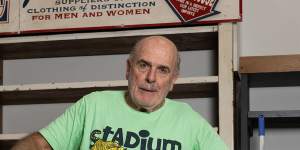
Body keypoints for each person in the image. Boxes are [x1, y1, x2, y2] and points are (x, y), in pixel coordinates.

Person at [11, 36, 229, 150]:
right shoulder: (94, 105)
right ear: (128, 69)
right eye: (143, 65)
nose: (151, 78)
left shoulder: (188, 120)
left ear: (173, 81)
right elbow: (39, 145)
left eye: (163, 70)